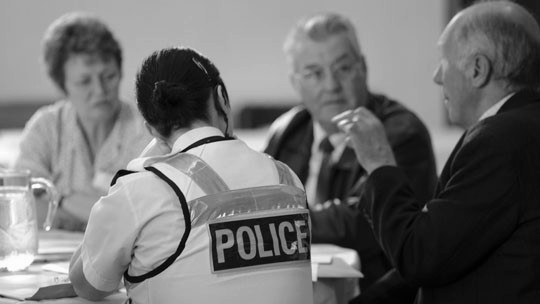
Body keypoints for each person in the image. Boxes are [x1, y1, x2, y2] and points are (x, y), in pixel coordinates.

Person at [68, 47, 313, 303]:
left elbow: (88, 284)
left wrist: (145, 158)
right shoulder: (287, 178)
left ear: (150, 128)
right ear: (222, 98)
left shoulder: (143, 188)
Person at [335, 2, 540, 303]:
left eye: (443, 60)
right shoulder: (521, 128)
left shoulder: (499, 141)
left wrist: (379, 162)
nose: (436, 76)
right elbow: (448, 250)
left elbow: (419, 256)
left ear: (477, 69)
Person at [264, 12, 437, 303]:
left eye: (343, 69)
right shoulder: (286, 132)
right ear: (296, 82)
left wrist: (282, 224)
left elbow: (363, 221)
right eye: (314, 73)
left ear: (363, 68)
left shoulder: (401, 133)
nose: (331, 85)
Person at [13, 12, 151, 231]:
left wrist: (56, 199)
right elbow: (21, 204)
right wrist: (79, 204)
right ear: (63, 86)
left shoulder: (146, 130)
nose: (99, 90)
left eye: (109, 76)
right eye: (84, 81)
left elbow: (143, 214)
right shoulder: (46, 127)